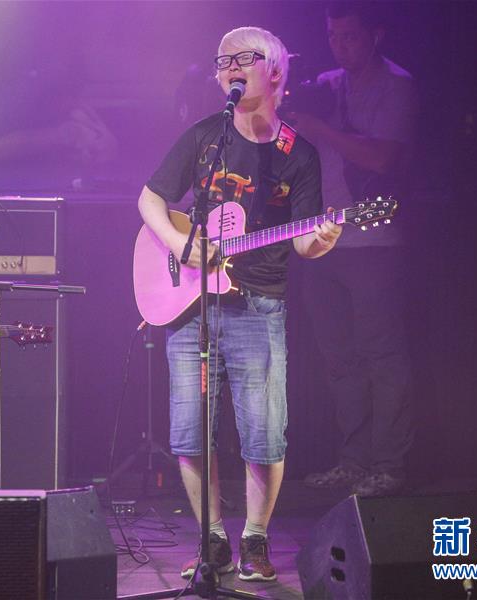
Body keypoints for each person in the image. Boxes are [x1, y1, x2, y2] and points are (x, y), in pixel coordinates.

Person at [138, 27, 341, 582]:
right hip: (191, 308)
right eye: (221, 60)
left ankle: (254, 538)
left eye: (243, 58)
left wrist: (322, 239)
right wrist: (180, 243)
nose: (229, 66)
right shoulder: (205, 137)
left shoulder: (299, 155)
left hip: (259, 304)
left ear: (275, 71)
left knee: (263, 433)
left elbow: (304, 242)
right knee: (189, 433)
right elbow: (151, 197)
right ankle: (211, 540)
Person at [288, 1, 417, 497]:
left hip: (373, 240)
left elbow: (382, 157)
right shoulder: (325, 85)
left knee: (382, 354)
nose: (340, 47)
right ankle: (353, 461)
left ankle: (388, 466)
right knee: (338, 358)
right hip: (321, 241)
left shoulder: (396, 85)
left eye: (350, 37)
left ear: (375, 35)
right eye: (333, 37)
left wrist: (319, 127)